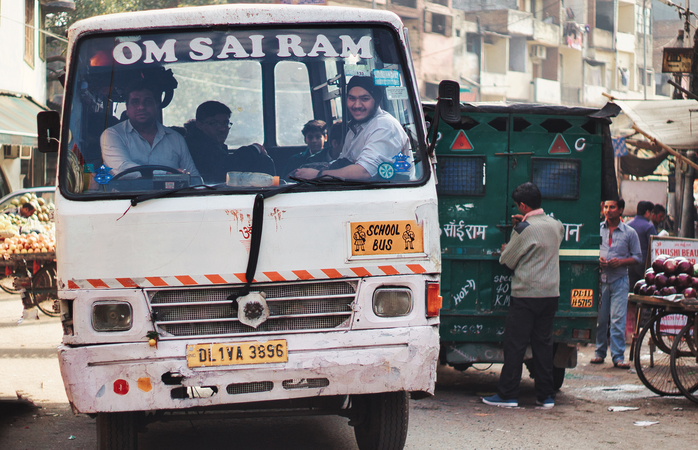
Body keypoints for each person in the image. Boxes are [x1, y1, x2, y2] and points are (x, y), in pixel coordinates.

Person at [481, 182, 564, 409]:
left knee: (515, 345)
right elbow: (542, 244)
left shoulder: (522, 230)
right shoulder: (557, 225)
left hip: (526, 295)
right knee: (543, 345)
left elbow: (506, 260)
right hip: (550, 294)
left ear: (523, 205)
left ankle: (508, 394)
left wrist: (510, 241)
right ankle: (545, 396)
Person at [292, 77, 409, 180]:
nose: (357, 105)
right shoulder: (355, 128)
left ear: (376, 101)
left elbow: (365, 172)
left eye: (365, 99)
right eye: (352, 98)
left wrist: (318, 174)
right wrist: (316, 167)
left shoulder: (384, 125)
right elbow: (343, 162)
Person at [101, 82, 200, 177]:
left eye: (147, 101)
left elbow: (193, 177)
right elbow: (122, 169)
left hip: (171, 194)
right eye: (135, 102)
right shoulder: (112, 135)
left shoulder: (176, 139)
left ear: (157, 105)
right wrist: (166, 174)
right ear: (127, 108)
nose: (141, 107)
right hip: (126, 195)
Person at [592, 199, 642, 369]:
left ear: (620, 210)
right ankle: (599, 353)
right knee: (600, 319)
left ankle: (618, 357)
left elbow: (637, 257)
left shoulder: (630, 233)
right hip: (600, 280)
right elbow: (590, 251)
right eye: (606, 207)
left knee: (617, 319)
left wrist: (620, 262)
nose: (608, 210)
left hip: (620, 280)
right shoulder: (597, 229)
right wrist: (596, 259)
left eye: (612, 207)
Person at [183, 101, 274, 183]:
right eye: (214, 123)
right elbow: (226, 169)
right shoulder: (198, 146)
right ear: (199, 125)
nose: (222, 129)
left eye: (225, 123)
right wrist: (255, 149)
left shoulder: (209, 143)